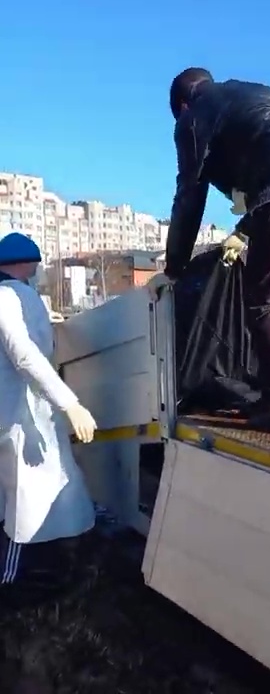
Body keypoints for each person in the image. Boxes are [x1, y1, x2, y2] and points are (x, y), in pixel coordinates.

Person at [149, 67, 270, 436]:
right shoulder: (249, 92)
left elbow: (190, 194)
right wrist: (243, 229)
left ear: (182, 102)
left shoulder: (193, 117)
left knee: (263, 299)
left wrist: (175, 268)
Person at [0, 232, 97, 602]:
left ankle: (63, 558)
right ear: (26, 263)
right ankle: (11, 581)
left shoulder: (14, 294)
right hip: (19, 416)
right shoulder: (8, 296)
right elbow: (23, 353)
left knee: (52, 487)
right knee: (23, 502)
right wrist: (69, 403)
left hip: (25, 413)